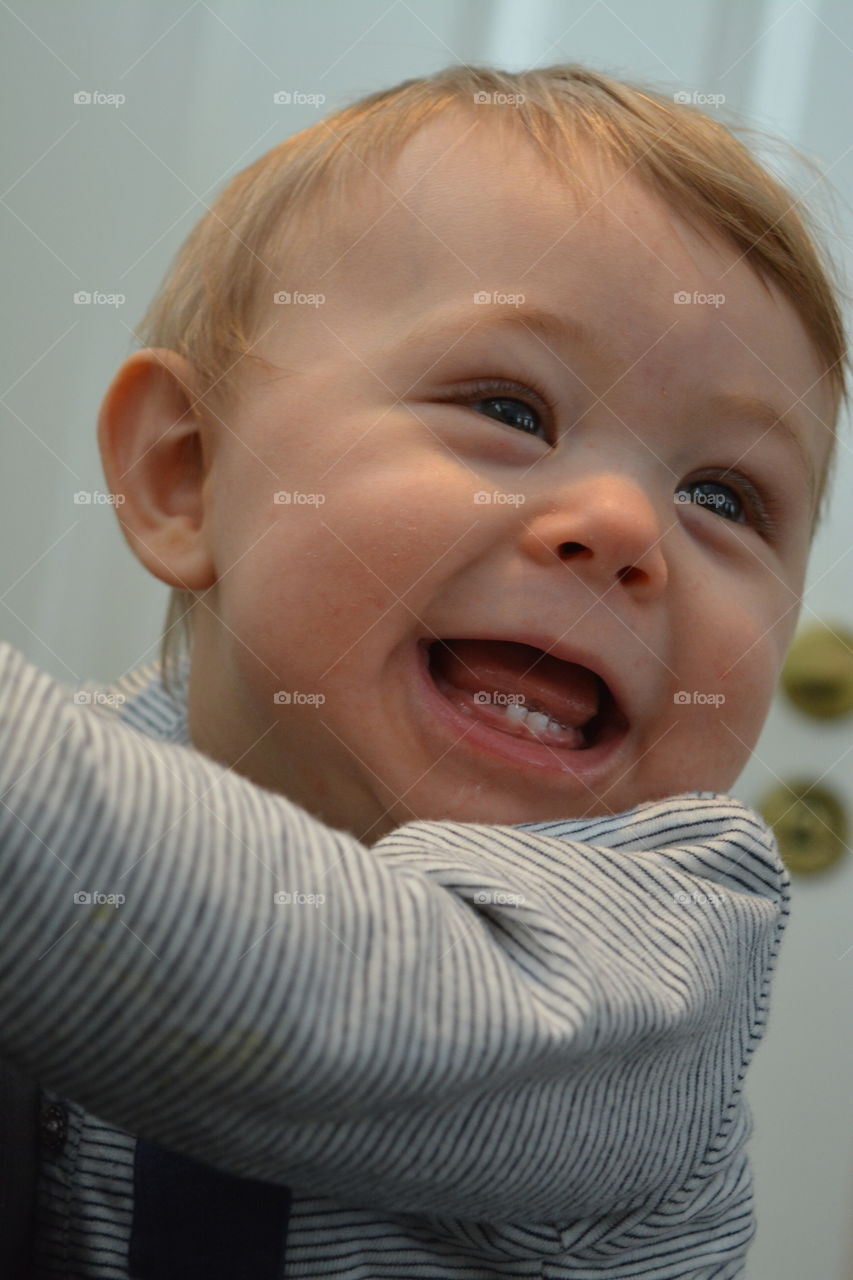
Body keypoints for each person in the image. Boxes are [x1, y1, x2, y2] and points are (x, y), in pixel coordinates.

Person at [0, 62, 847, 1279]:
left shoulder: (671, 941)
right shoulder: (93, 753)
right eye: (509, 409)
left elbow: (350, 1008)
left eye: (724, 495)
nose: (621, 523)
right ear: (187, 473)